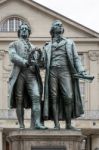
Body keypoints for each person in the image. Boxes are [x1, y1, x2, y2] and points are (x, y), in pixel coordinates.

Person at [43, 20, 86, 130]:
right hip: (52, 71)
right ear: (53, 29)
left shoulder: (70, 43)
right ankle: (56, 124)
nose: (60, 26)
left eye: (61, 25)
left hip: (65, 70)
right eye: (57, 25)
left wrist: (81, 69)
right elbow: (43, 63)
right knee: (53, 97)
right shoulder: (47, 46)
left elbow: (76, 58)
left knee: (68, 96)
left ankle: (68, 124)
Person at [8, 23, 46, 129]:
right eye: (22, 29)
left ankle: (37, 123)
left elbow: (39, 63)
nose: (24, 30)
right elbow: (13, 56)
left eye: (26, 29)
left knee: (36, 96)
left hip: (31, 74)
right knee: (19, 99)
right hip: (19, 73)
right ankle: (21, 124)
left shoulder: (34, 47)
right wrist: (25, 62)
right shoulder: (14, 44)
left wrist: (41, 60)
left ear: (29, 32)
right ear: (19, 32)